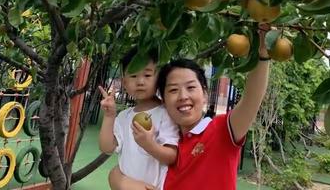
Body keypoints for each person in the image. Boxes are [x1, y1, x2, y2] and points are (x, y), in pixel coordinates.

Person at [156, 26, 271, 189]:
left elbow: (252, 98)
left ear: (205, 94)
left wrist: (263, 53)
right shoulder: (163, 146)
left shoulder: (221, 130)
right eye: (173, 90)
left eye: (190, 88)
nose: (183, 96)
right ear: (163, 101)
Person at [98, 48, 179, 190]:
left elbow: (172, 156)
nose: (140, 81)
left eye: (147, 75)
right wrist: (109, 116)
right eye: (134, 76)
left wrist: (149, 144)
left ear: (159, 78)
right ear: (124, 83)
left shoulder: (166, 114)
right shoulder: (124, 117)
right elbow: (106, 147)